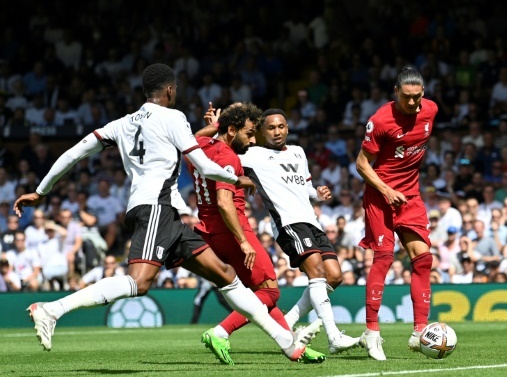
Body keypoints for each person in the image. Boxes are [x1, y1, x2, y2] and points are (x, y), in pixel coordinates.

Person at [14, 63, 318, 362]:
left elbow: (74, 151)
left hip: (166, 213)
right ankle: (53, 310)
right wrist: (237, 178)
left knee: (225, 275)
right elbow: (205, 166)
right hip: (155, 208)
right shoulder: (173, 117)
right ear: (170, 90)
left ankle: (287, 344)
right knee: (139, 283)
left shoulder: (120, 124)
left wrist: (41, 191)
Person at [194, 104, 349, 363]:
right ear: (234, 131)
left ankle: (292, 344)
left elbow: (192, 141)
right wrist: (244, 240)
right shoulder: (234, 156)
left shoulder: (203, 151)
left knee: (263, 290)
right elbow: (224, 201)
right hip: (233, 228)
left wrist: (216, 127)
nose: (253, 140)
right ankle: (221, 331)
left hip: (208, 229)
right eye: (251, 133)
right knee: (270, 292)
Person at [355, 66, 437, 361]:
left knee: (424, 260)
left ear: (423, 93)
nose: (412, 103)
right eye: (407, 97)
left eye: (417, 97)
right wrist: (387, 190)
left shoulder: (431, 111)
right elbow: (361, 164)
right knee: (385, 257)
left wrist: (401, 190)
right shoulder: (380, 120)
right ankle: (372, 332)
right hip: (380, 197)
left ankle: (420, 332)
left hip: (411, 196)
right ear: (396, 92)